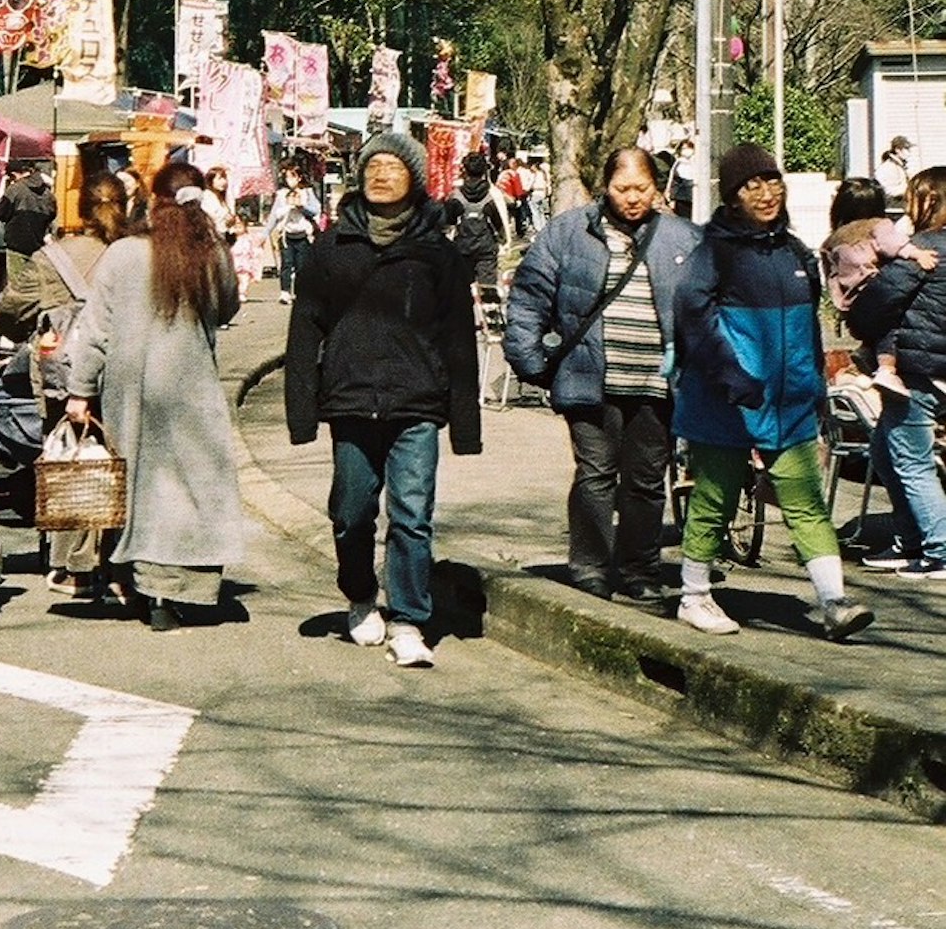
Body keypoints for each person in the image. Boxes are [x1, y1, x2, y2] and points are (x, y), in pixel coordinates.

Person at [284, 130, 482, 667]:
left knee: (412, 515)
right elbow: (305, 329)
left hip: (417, 400)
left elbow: (459, 338)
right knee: (350, 514)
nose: (381, 174)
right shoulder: (331, 248)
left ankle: (409, 619)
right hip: (349, 399)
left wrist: (465, 423)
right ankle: (359, 595)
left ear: (413, 179)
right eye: (373, 166)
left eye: (394, 167)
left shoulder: (437, 253)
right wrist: (301, 409)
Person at [673, 142, 874, 640]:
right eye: (751, 185)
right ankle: (694, 595)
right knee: (715, 498)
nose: (766, 193)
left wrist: (816, 388)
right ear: (733, 196)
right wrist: (731, 376)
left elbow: (808, 329)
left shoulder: (795, 252)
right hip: (725, 402)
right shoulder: (713, 252)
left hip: (789, 406)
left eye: (772, 181)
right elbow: (693, 321)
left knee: (806, 499)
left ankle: (834, 602)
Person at [502, 145, 695, 605]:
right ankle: (589, 565)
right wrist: (528, 359)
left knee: (647, 479)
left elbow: (706, 308)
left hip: (656, 381)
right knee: (596, 473)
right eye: (622, 188)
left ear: (657, 188)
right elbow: (530, 297)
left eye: (642, 189)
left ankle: (639, 569)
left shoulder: (683, 239)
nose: (633, 198)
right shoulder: (568, 233)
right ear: (604, 187)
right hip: (589, 377)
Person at [64, 161, 244, 629]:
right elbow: (227, 309)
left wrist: (79, 390)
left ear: (153, 200)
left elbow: (96, 331)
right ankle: (179, 585)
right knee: (191, 486)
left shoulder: (123, 253)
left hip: (131, 385)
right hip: (194, 384)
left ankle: (145, 585)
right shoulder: (213, 254)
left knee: (142, 484)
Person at [0, 171, 129, 598]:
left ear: (80, 209)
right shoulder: (133, 254)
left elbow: (10, 312)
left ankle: (78, 568)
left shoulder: (51, 258)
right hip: (125, 370)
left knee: (74, 460)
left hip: (63, 372)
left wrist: (34, 330)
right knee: (122, 462)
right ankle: (121, 566)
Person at [847, 166, 946, 577]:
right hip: (934, 368)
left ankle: (940, 549)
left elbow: (872, 306)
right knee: (887, 454)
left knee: (911, 462)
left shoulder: (921, 252)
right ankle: (910, 541)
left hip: (916, 371)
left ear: (928, 202)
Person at [820, 174, 937, 400]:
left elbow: (831, 274)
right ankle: (886, 369)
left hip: (850, 301)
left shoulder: (832, 240)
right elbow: (893, 245)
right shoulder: (878, 225)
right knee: (892, 325)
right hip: (877, 290)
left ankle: (867, 354)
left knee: (876, 330)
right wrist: (916, 253)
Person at [442, 148, 510, 293]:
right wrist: (504, 242)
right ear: (484, 170)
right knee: (488, 290)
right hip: (486, 248)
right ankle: (490, 312)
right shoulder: (491, 195)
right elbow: (498, 223)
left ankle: (465, 314)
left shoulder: (456, 196)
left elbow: (448, 223)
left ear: (464, 170)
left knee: (461, 290)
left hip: (462, 247)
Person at [264, 161, 322, 304]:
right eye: (287, 177)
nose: (289, 180)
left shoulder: (307, 192)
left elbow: (316, 210)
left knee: (302, 265)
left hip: (303, 234)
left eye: (292, 176)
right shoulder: (282, 194)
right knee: (286, 264)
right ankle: (285, 292)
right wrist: (265, 233)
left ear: (299, 177)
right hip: (286, 234)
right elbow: (274, 215)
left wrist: (302, 206)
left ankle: (300, 292)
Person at [0, 160, 57, 286]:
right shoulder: (48, 193)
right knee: (34, 285)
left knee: (17, 285)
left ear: (15, 174)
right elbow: (52, 215)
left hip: (16, 245)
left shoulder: (15, 189)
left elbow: (1, 213)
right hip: (38, 246)